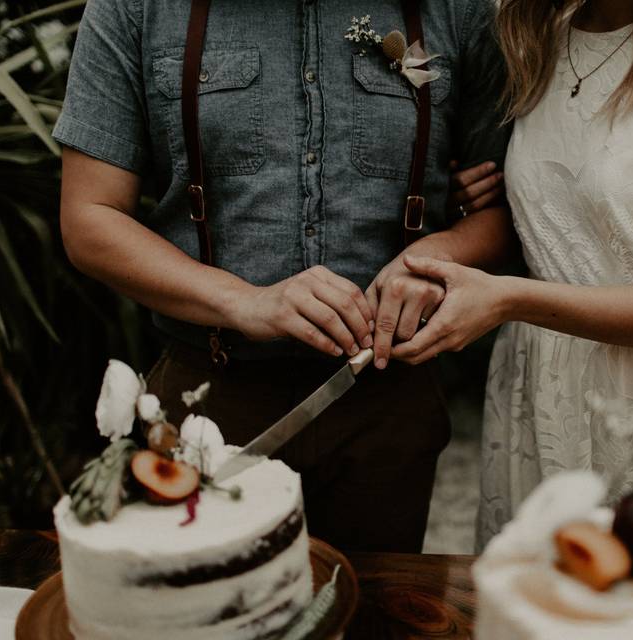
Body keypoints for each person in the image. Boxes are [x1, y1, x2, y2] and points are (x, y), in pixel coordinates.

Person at [55, 0, 514, 553]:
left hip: (386, 406)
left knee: (375, 617)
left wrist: (437, 256)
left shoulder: (456, 11)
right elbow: (89, 218)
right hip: (209, 402)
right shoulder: (136, 9)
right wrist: (245, 303)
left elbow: (509, 210)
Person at [389, 0, 633, 549]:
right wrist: (467, 207)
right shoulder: (538, 36)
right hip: (539, 392)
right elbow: (554, 214)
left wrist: (509, 300)